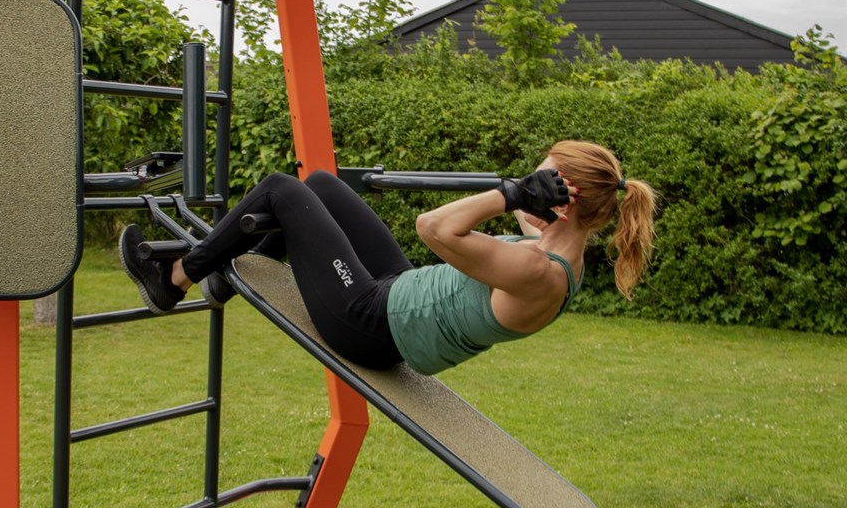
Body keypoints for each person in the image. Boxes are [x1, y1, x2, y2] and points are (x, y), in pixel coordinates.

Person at [118, 140, 657, 376]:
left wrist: (510, 193)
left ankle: (174, 279)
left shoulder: (538, 272)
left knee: (281, 189)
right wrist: (526, 198)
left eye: (538, 180)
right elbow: (530, 220)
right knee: (320, 185)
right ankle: (225, 279)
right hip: (400, 296)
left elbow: (434, 227)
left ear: (564, 205)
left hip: (370, 321)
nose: (526, 186)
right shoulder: (560, 253)